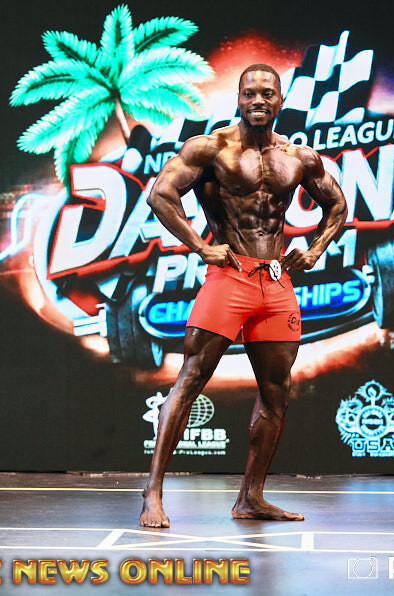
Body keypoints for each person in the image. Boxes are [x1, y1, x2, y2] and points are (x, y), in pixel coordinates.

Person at [139, 64, 347, 527]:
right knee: (191, 378)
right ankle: (152, 493)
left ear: (280, 100)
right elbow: (161, 194)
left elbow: (337, 204)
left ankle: (250, 498)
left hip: (275, 282)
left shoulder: (298, 157)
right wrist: (200, 246)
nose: (258, 100)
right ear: (238, 97)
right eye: (250, 93)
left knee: (277, 393)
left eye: (267, 94)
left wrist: (315, 249)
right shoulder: (211, 147)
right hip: (230, 276)